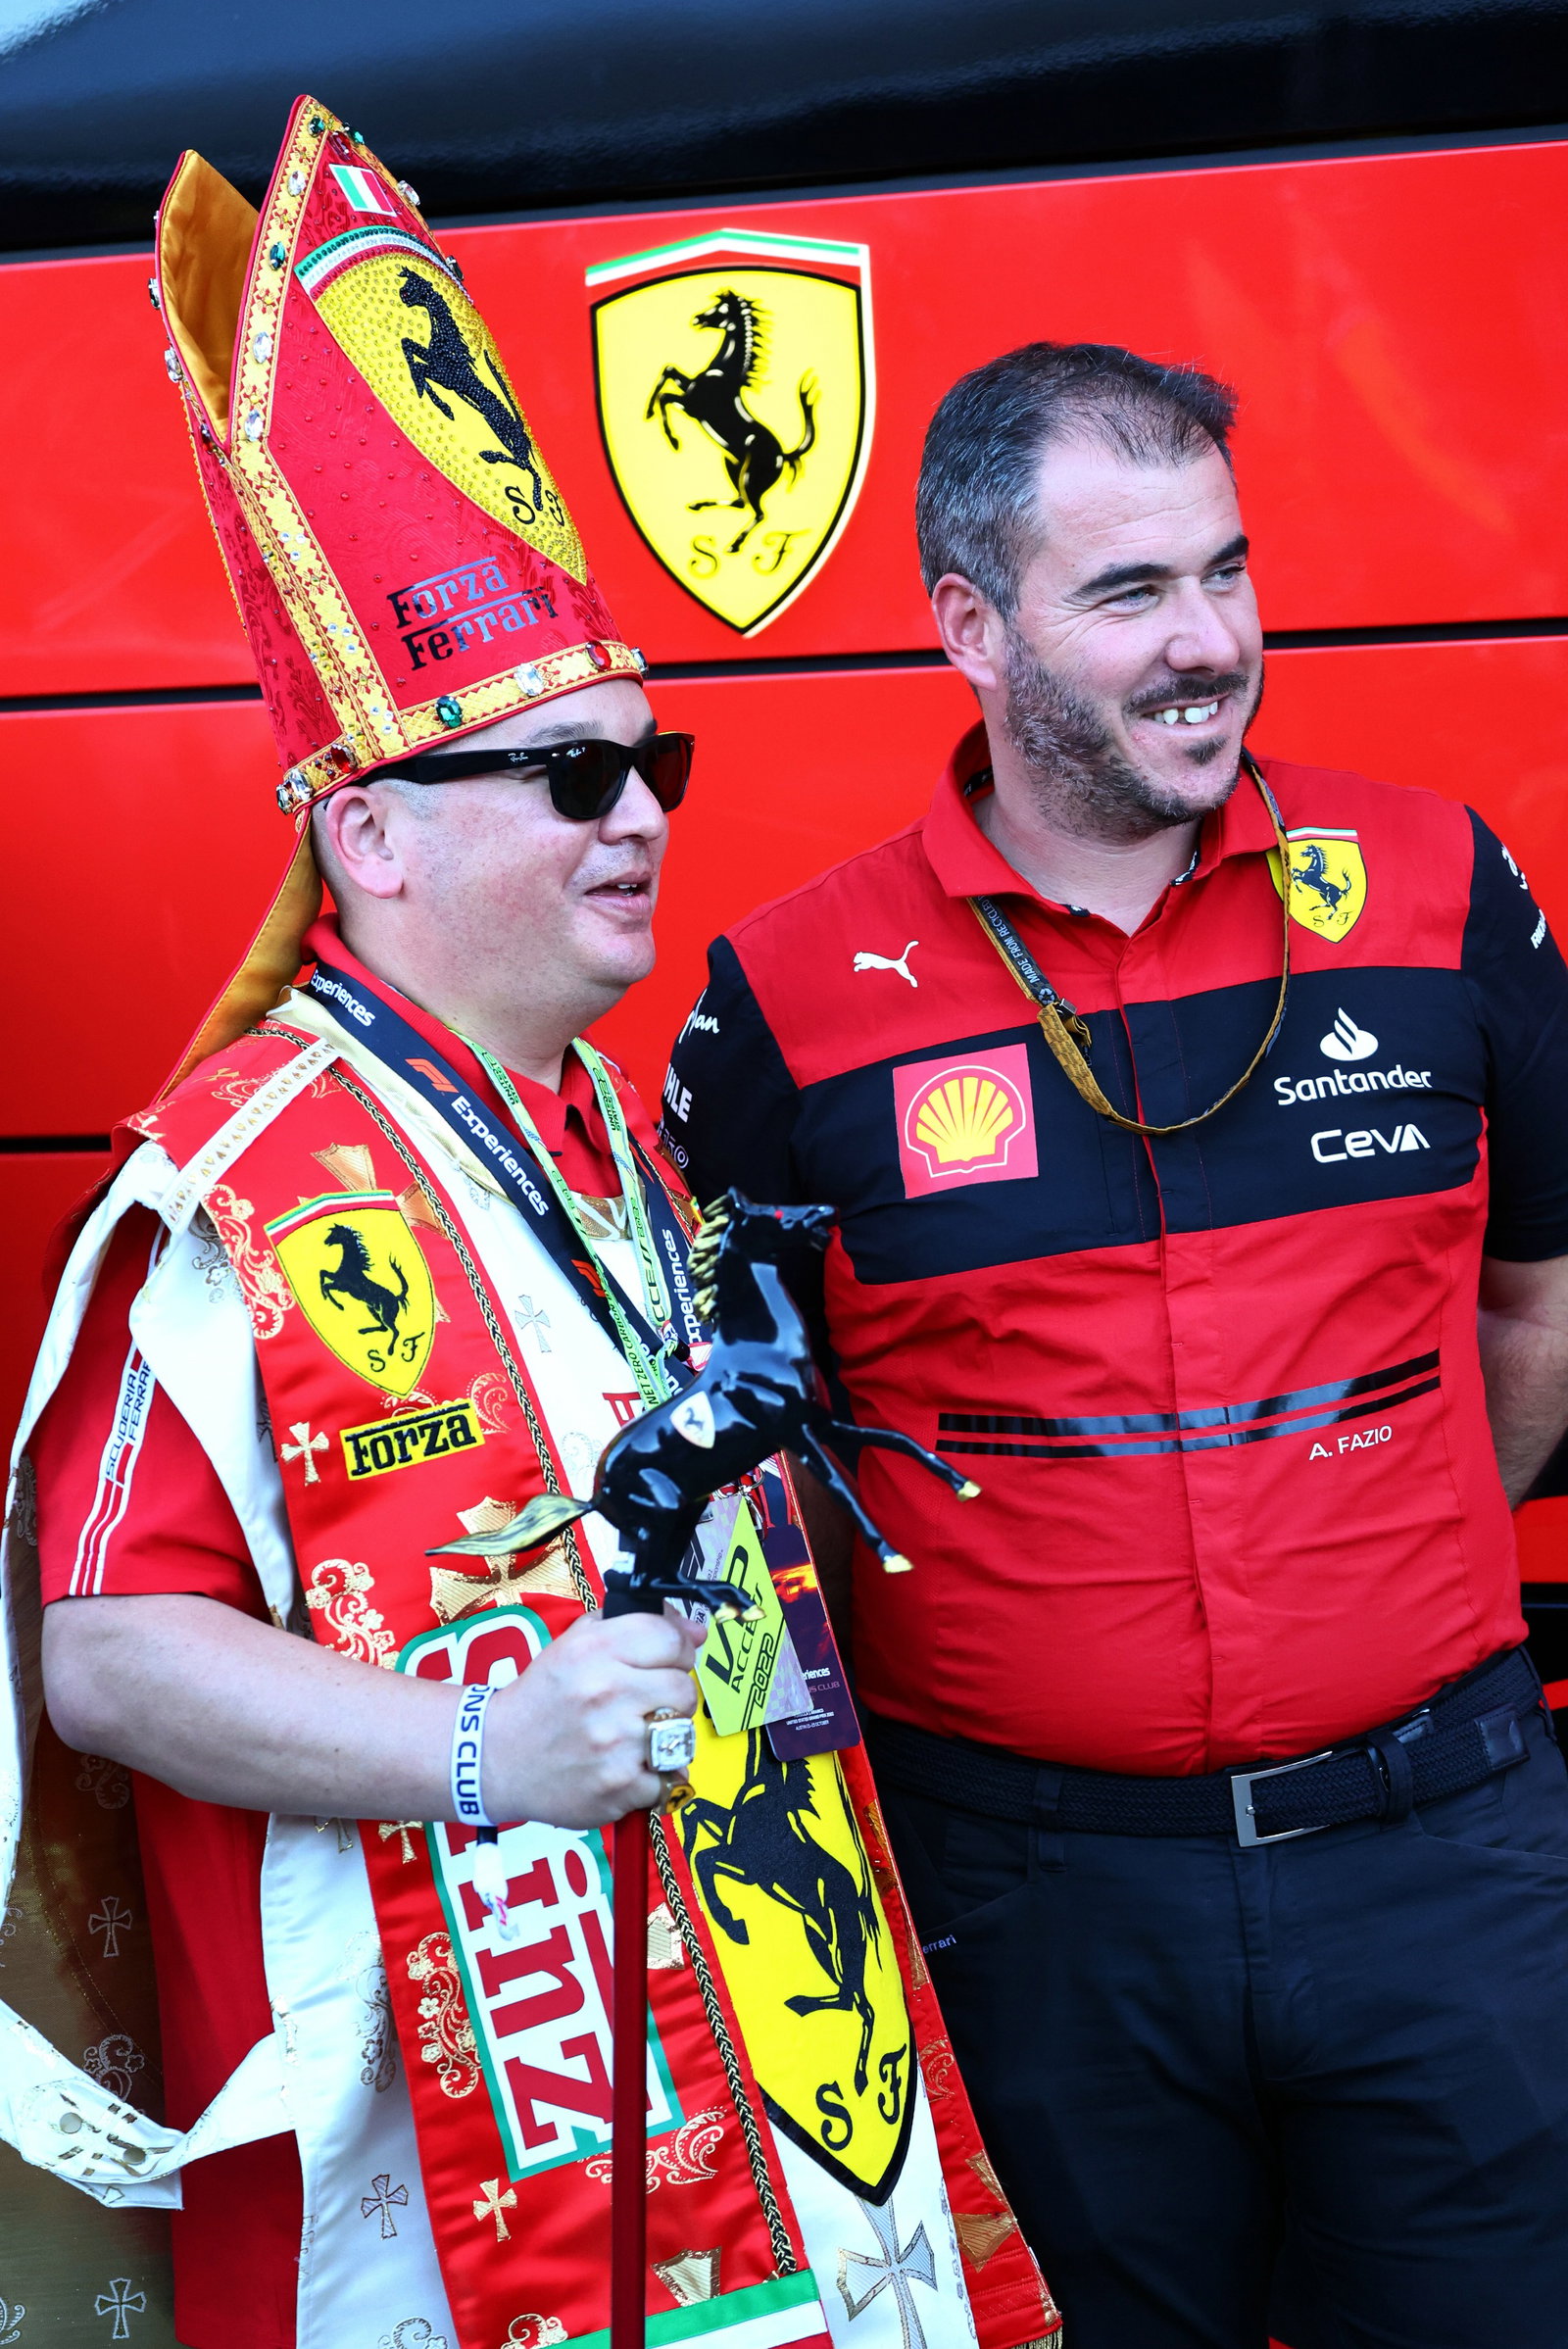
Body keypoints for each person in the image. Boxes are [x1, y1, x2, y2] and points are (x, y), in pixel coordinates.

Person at [0, 102, 1058, 2349]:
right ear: (368, 836)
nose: (636, 820)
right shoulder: (234, 1176)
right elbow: (98, 1652)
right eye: (567, 774)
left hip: (739, 2079)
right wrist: (479, 1751)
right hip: (433, 2173)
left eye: (648, 765)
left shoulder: (597, 1119)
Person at [660, 339, 1568, 2349]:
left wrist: (1349, 1553)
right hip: (1027, 1914)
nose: (1208, 643)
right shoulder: (782, 1000)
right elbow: (743, 1475)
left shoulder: (1440, 888)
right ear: (968, 626)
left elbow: (1536, 1307)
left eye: (1226, 572)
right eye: (1131, 591)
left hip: (1443, 1870)